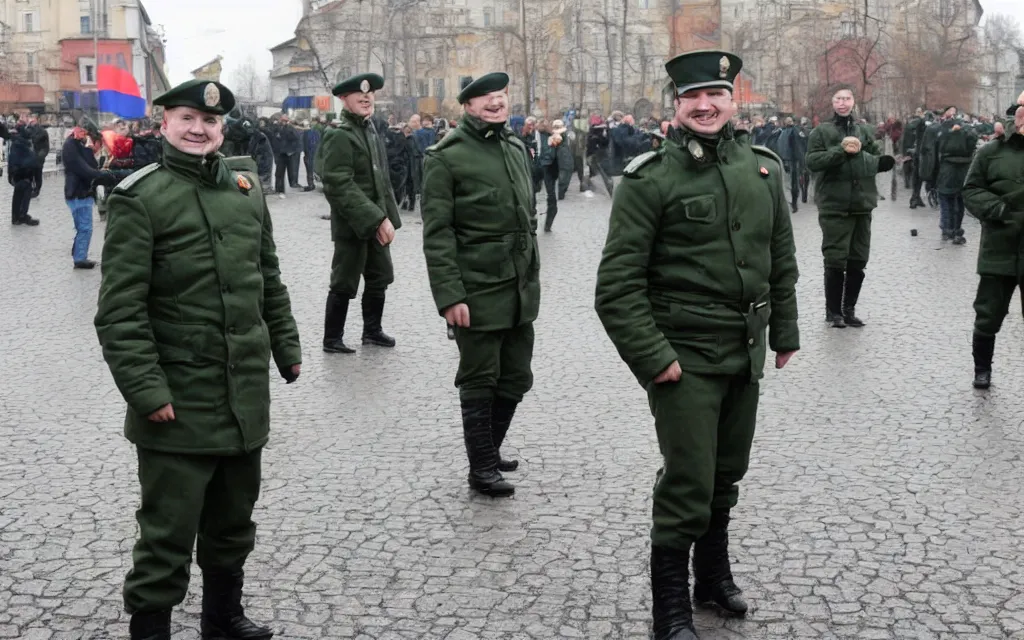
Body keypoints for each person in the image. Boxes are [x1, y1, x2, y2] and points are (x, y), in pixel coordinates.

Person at [595, 50, 799, 640]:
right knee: (688, 479)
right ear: (676, 105)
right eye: (692, 98)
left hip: (746, 350)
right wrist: (655, 359)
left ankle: (712, 577)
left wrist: (784, 332)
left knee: (725, 474)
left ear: (734, 100)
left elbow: (779, 258)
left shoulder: (764, 168)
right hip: (683, 356)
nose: (705, 106)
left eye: (716, 95)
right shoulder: (650, 179)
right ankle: (671, 608)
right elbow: (616, 287)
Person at [94, 80, 302, 640]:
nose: (198, 129)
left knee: (233, 522)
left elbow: (268, 278)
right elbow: (120, 313)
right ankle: (151, 628)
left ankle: (223, 619)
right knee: (167, 531)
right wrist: (148, 392)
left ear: (222, 129)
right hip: (178, 401)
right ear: (163, 122)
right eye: (187, 117)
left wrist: (288, 347)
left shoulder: (244, 189)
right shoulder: (140, 197)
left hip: (244, 395)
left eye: (209, 122)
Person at [421, 72, 539, 498]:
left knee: (516, 377)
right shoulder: (445, 156)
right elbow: (438, 232)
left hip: (519, 287)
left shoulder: (513, 146)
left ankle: (489, 448)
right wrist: (451, 296)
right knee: (480, 377)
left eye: (502, 96)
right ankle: (482, 467)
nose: (496, 103)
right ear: (467, 105)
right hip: (476, 288)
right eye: (486, 98)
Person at [319, 73, 402, 354]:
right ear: (344, 99)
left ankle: (372, 331)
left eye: (370, 95)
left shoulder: (370, 130)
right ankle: (332, 338)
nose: (367, 99)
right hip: (353, 224)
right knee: (344, 279)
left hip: (377, 221)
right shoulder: (338, 134)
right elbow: (338, 183)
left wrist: (389, 217)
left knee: (379, 276)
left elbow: (382, 180)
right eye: (360, 95)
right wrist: (375, 218)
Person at [806, 85, 895, 329]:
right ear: (832, 102)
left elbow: (874, 159)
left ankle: (849, 308)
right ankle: (833, 311)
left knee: (858, 259)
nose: (843, 103)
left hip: (862, 204)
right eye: (838, 99)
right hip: (834, 205)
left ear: (853, 102)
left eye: (847, 98)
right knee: (835, 258)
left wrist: (883, 162)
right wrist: (841, 152)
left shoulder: (865, 131)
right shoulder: (821, 132)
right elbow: (813, 162)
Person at [962, 96, 1024, 390]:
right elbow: (971, 190)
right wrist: (996, 209)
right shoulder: (989, 152)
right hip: (999, 245)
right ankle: (982, 369)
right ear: (1014, 117)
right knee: (988, 313)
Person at [62, 125, 113, 269]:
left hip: (79, 192)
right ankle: (79, 258)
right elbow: (87, 168)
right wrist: (102, 174)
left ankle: (78, 253)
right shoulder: (74, 146)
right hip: (78, 193)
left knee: (82, 227)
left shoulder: (74, 145)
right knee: (85, 228)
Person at [934, 106, 977, 244]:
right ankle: (957, 228)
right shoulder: (969, 133)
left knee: (946, 200)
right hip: (963, 171)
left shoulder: (945, 134)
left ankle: (947, 228)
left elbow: (937, 148)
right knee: (959, 202)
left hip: (947, 170)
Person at [8, 121, 40, 226]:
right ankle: (21, 216)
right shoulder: (23, 144)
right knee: (24, 194)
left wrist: (10, 174)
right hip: (23, 174)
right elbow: (32, 161)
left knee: (18, 195)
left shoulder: (15, 143)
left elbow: (11, 160)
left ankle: (16, 217)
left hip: (17, 174)